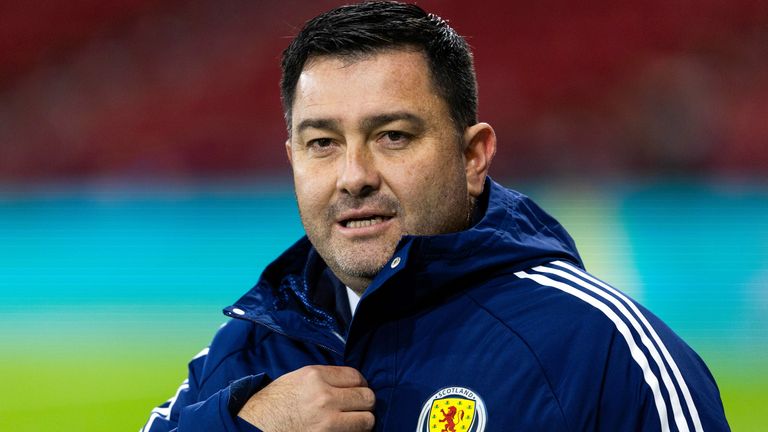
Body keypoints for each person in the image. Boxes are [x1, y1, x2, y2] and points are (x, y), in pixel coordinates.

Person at [141, 2, 730, 431]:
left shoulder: (601, 350)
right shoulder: (247, 352)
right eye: (322, 143)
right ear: (293, 159)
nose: (354, 175)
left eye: (392, 136)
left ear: (472, 157)